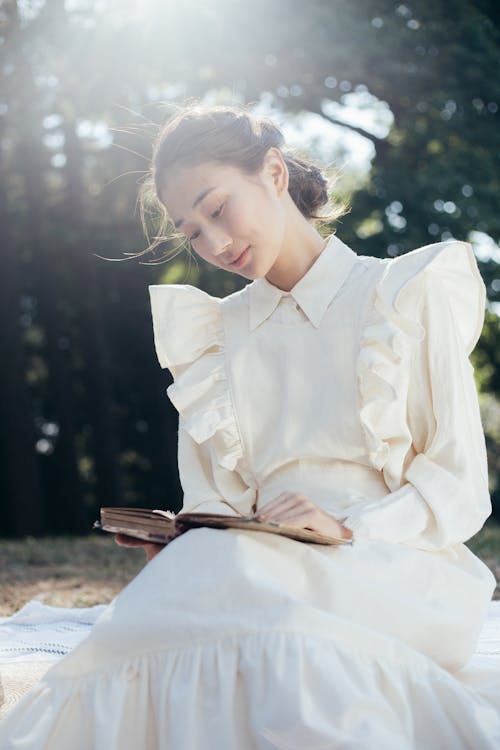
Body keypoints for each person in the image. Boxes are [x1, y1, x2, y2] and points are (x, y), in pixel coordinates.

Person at [1, 102, 499, 749]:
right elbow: (218, 503)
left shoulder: (400, 296)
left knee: (266, 609)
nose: (211, 243)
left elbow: (458, 488)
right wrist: (187, 542)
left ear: (271, 172)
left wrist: (349, 528)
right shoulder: (212, 336)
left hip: (394, 562)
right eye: (191, 232)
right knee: (181, 603)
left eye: (216, 208)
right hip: (255, 560)